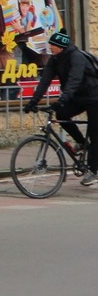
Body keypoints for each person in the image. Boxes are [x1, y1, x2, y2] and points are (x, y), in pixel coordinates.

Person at [23, 30, 98, 185]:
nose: (50, 47)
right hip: (77, 98)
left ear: (61, 47)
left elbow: (74, 81)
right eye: (50, 44)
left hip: (94, 97)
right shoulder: (54, 59)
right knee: (61, 114)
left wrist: (62, 99)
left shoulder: (76, 57)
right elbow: (44, 81)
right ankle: (82, 143)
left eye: (53, 45)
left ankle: (93, 171)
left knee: (95, 134)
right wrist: (33, 102)